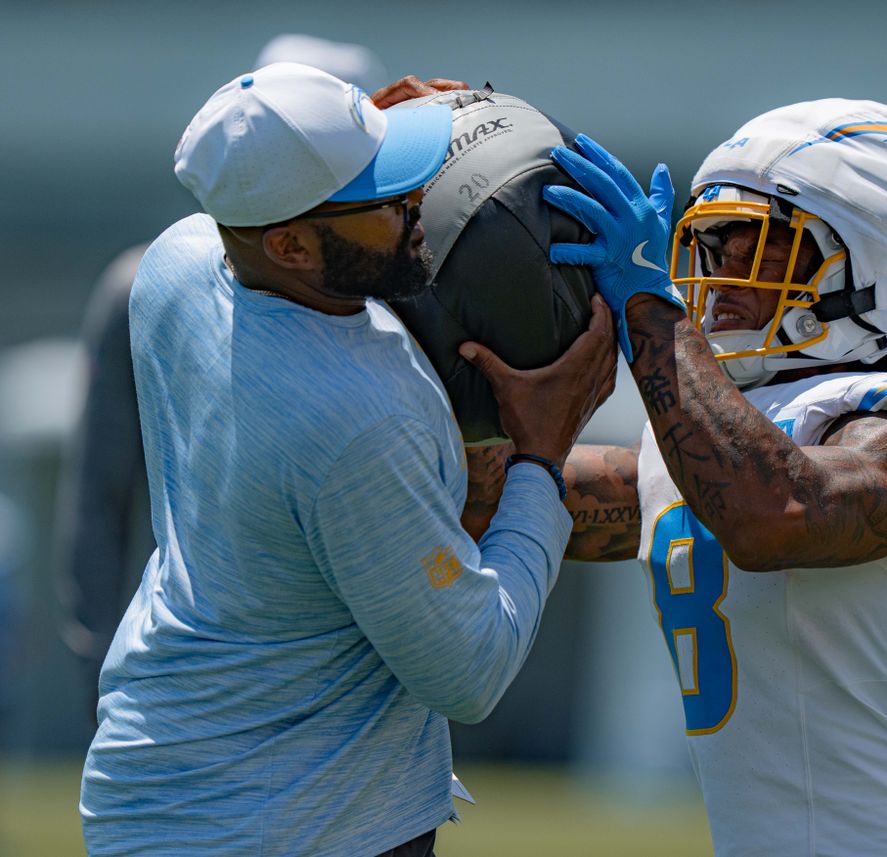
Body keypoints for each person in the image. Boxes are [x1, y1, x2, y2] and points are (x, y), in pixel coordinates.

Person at [79, 62, 616, 857]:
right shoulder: (357, 415)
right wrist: (543, 450)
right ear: (292, 243)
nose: (418, 205)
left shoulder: (177, 261)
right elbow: (470, 669)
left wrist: (369, 126)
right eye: (386, 197)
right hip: (285, 822)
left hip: (159, 787)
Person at [465, 101, 887, 856]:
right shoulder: (714, 445)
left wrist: (649, 308)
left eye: (759, 254)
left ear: (882, 269)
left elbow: (776, 511)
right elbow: (501, 497)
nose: (721, 282)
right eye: (715, 252)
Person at [55, 34, 391, 720]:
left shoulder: (402, 283)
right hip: (191, 648)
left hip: (356, 662)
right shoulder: (139, 287)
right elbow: (99, 487)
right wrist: (96, 653)